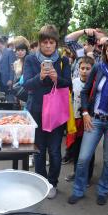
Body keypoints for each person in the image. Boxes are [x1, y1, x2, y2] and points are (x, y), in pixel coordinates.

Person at [68, 36, 108, 206]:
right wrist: (85, 112)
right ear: (104, 51)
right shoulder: (98, 67)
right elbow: (86, 91)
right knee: (83, 158)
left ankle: (103, 190)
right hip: (94, 119)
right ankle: (78, 190)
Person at [23, 24, 72, 199]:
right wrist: (41, 76)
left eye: (51, 42)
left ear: (56, 44)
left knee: (54, 151)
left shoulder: (63, 61)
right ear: (40, 43)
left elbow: (68, 84)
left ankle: (52, 183)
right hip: (36, 111)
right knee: (39, 150)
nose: (48, 45)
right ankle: (41, 182)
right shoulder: (30, 60)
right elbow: (26, 84)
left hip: (56, 113)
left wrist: (57, 79)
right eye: (45, 42)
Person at [65, 56, 96, 182]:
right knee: (76, 148)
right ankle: (76, 172)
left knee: (88, 150)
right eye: (82, 68)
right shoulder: (73, 82)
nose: (84, 71)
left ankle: (88, 176)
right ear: (78, 68)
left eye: (88, 68)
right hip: (75, 120)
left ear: (92, 69)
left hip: (89, 120)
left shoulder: (95, 84)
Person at [0, 37, 16, 102]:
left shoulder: (9, 52)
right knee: (0, 98)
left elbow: (12, 67)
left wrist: (11, 79)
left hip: (7, 80)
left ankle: (11, 110)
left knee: (9, 98)